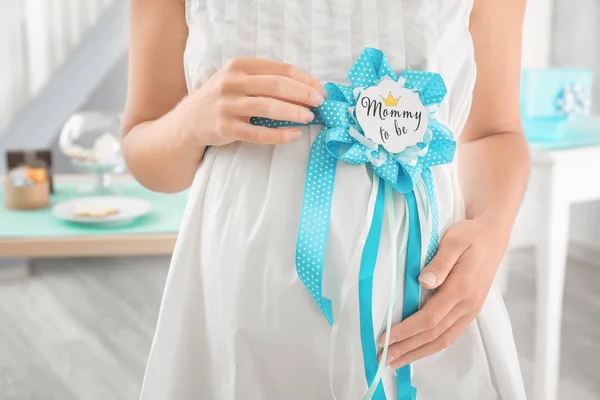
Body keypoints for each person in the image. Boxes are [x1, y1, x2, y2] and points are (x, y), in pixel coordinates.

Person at [122, 0, 529, 398]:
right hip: (240, 298)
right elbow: (144, 150)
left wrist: (492, 231)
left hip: (424, 303)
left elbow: (495, 131)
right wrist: (190, 122)